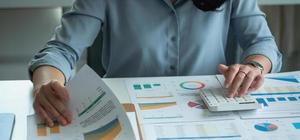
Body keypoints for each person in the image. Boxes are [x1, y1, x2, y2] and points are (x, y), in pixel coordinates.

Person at [29, 0, 282, 127]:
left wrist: (254, 67)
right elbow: (61, 49)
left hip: (209, 114)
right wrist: (46, 85)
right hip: (128, 116)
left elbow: (263, 44)